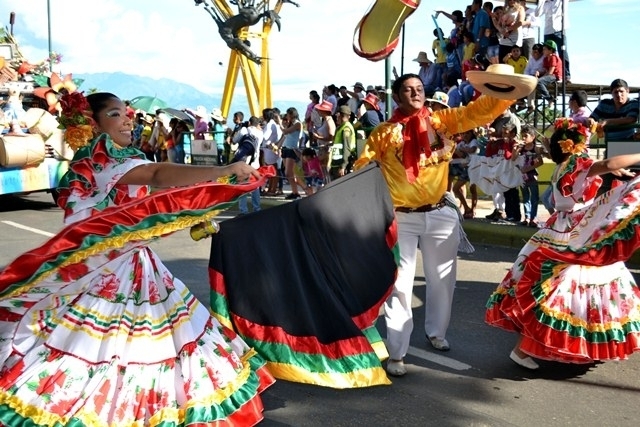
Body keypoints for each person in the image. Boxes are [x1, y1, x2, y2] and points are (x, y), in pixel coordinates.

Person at [0, 91, 274, 425]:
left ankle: (141, 407)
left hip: (131, 264)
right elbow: (157, 175)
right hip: (110, 270)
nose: (127, 120)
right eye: (115, 114)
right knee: (110, 347)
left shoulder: (111, 162)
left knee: (141, 341)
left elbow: (153, 200)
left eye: (126, 113)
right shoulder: (102, 161)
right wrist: (223, 170)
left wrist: (197, 211)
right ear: (92, 124)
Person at [353, 68, 533, 377]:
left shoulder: (442, 121)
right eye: (408, 89)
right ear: (396, 97)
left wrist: (503, 89)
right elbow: (362, 167)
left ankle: (436, 333)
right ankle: (397, 352)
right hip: (401, 218)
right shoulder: (383, 132)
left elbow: (477, 112)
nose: (416, 92)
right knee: (399, 285)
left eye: (419, 88)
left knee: (443, 281)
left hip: (440, 214)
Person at [486, 117, 640, 369]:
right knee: (561, 290)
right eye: (584, 142)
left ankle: (575, 344)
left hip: (561, 226)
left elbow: (603, 168)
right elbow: (608, 163)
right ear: (573, 145)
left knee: (567, 288)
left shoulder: (563, 165)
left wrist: (607, 169)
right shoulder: (576, 163)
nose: (586, 146)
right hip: (575, 231)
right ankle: (523, 349)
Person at [232, 115, 263, 214]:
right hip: (255, 163)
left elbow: (234, 140)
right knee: (255, 186)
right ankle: (257, 209)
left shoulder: (244, 130)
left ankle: (243, 210)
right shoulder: (260, 133)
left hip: (244, 163)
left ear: (249, 123)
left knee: (242, 186)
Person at [276, 107, 309, 199]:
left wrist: (279, 123)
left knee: (288, 173)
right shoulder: (291, 124)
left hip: (293, 150)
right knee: (291, 174)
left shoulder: (298, 124)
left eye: (288, 115)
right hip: (286, 148)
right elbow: (285, 135)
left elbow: (285, 131)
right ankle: (295, 192)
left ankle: (303, 190)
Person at [514, 124, 544, 227]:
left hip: (532, 175)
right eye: (522, 136)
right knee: (525, 197)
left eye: (525, 136)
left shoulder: (535, 149)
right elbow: (513, 158)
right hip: (522, 177)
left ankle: (533, 217)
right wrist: (516, 148)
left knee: (534, 197)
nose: (523, 138)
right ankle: (526, 216)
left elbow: (540, 162)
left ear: (533, 137)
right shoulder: (521, 148)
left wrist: (528, 169)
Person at [535, 0, 570, 81]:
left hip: (559, 29)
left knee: (563, 52)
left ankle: (566, 75)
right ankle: (547, 75)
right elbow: (537, 14)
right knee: (547, 54)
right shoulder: (545, 2)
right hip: (548, 31)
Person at [329, 105, 356, 180]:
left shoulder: (346, 129)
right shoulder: (340, 128)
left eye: (337, 115)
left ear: (340, 115)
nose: (336, 117)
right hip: (336, 164)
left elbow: (346, 148)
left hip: (341, 165)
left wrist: (343, 166)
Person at [534, 40, 563, 109]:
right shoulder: (545, 59)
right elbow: (546, 71)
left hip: (555, 76)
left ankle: (549, 98)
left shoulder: (553, 57)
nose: (543, 51)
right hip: (549, 75)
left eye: (545, 49)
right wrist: (539, 72)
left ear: (550, 50)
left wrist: (540, 78)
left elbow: (550, 72)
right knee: (534, 80)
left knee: (538, 82)